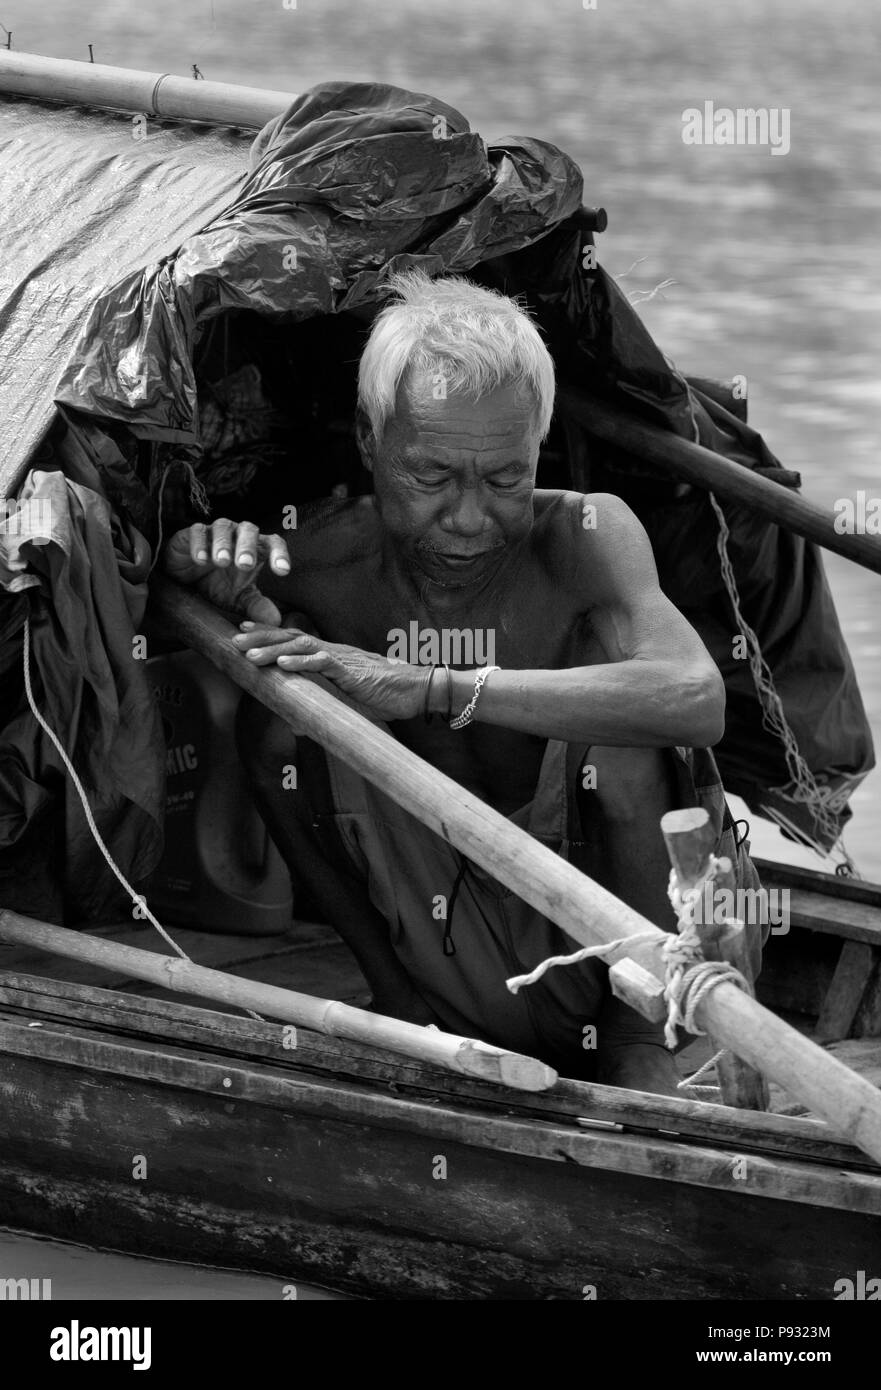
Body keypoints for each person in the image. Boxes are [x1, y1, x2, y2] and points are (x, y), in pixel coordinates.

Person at [162, 269, 761, 1094]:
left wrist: (435, 686)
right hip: (441, 949)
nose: (471, 518)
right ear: (371, 443)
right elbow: (205, 595)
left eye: (504, 478)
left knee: (629, 738)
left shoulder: (587, 535)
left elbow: (695, 700)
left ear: (535, 452)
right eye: (431, 478)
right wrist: (211, 567)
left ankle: (640, 1042)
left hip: (644, 948)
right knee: (280, 720)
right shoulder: (316, 558)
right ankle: (400, 999)